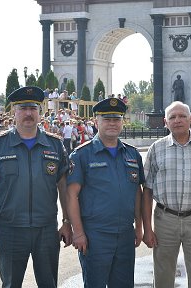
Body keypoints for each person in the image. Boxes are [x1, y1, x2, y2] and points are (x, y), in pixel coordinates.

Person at [0, 86, 72, 287]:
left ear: (40, 112)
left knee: (48, 283)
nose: (28, 113)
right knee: (10, 284)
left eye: (33, 108)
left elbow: (64, 187)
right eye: (23, 108)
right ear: (13, 112)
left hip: (46, 229)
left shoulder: (55, 145)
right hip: (10, 229)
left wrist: (67, 221)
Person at [66, 98, 145, 288]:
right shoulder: (81, 155)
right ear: (96, 122)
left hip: (125, 233)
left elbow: (137, 193)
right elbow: (71, 195)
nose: (112, 123)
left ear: (122, 122)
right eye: (106, 119)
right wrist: (78, 232)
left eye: (116, 119)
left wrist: (139, 226)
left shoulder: (132, 154)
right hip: (95, 235)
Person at [142, 101, 191, 288]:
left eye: (182, 116)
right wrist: (147, 227)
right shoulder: (156, 149)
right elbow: (147, 190)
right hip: (165, 219)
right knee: (162, 274)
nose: (177, 120)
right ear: (165, 122)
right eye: (172, 117)